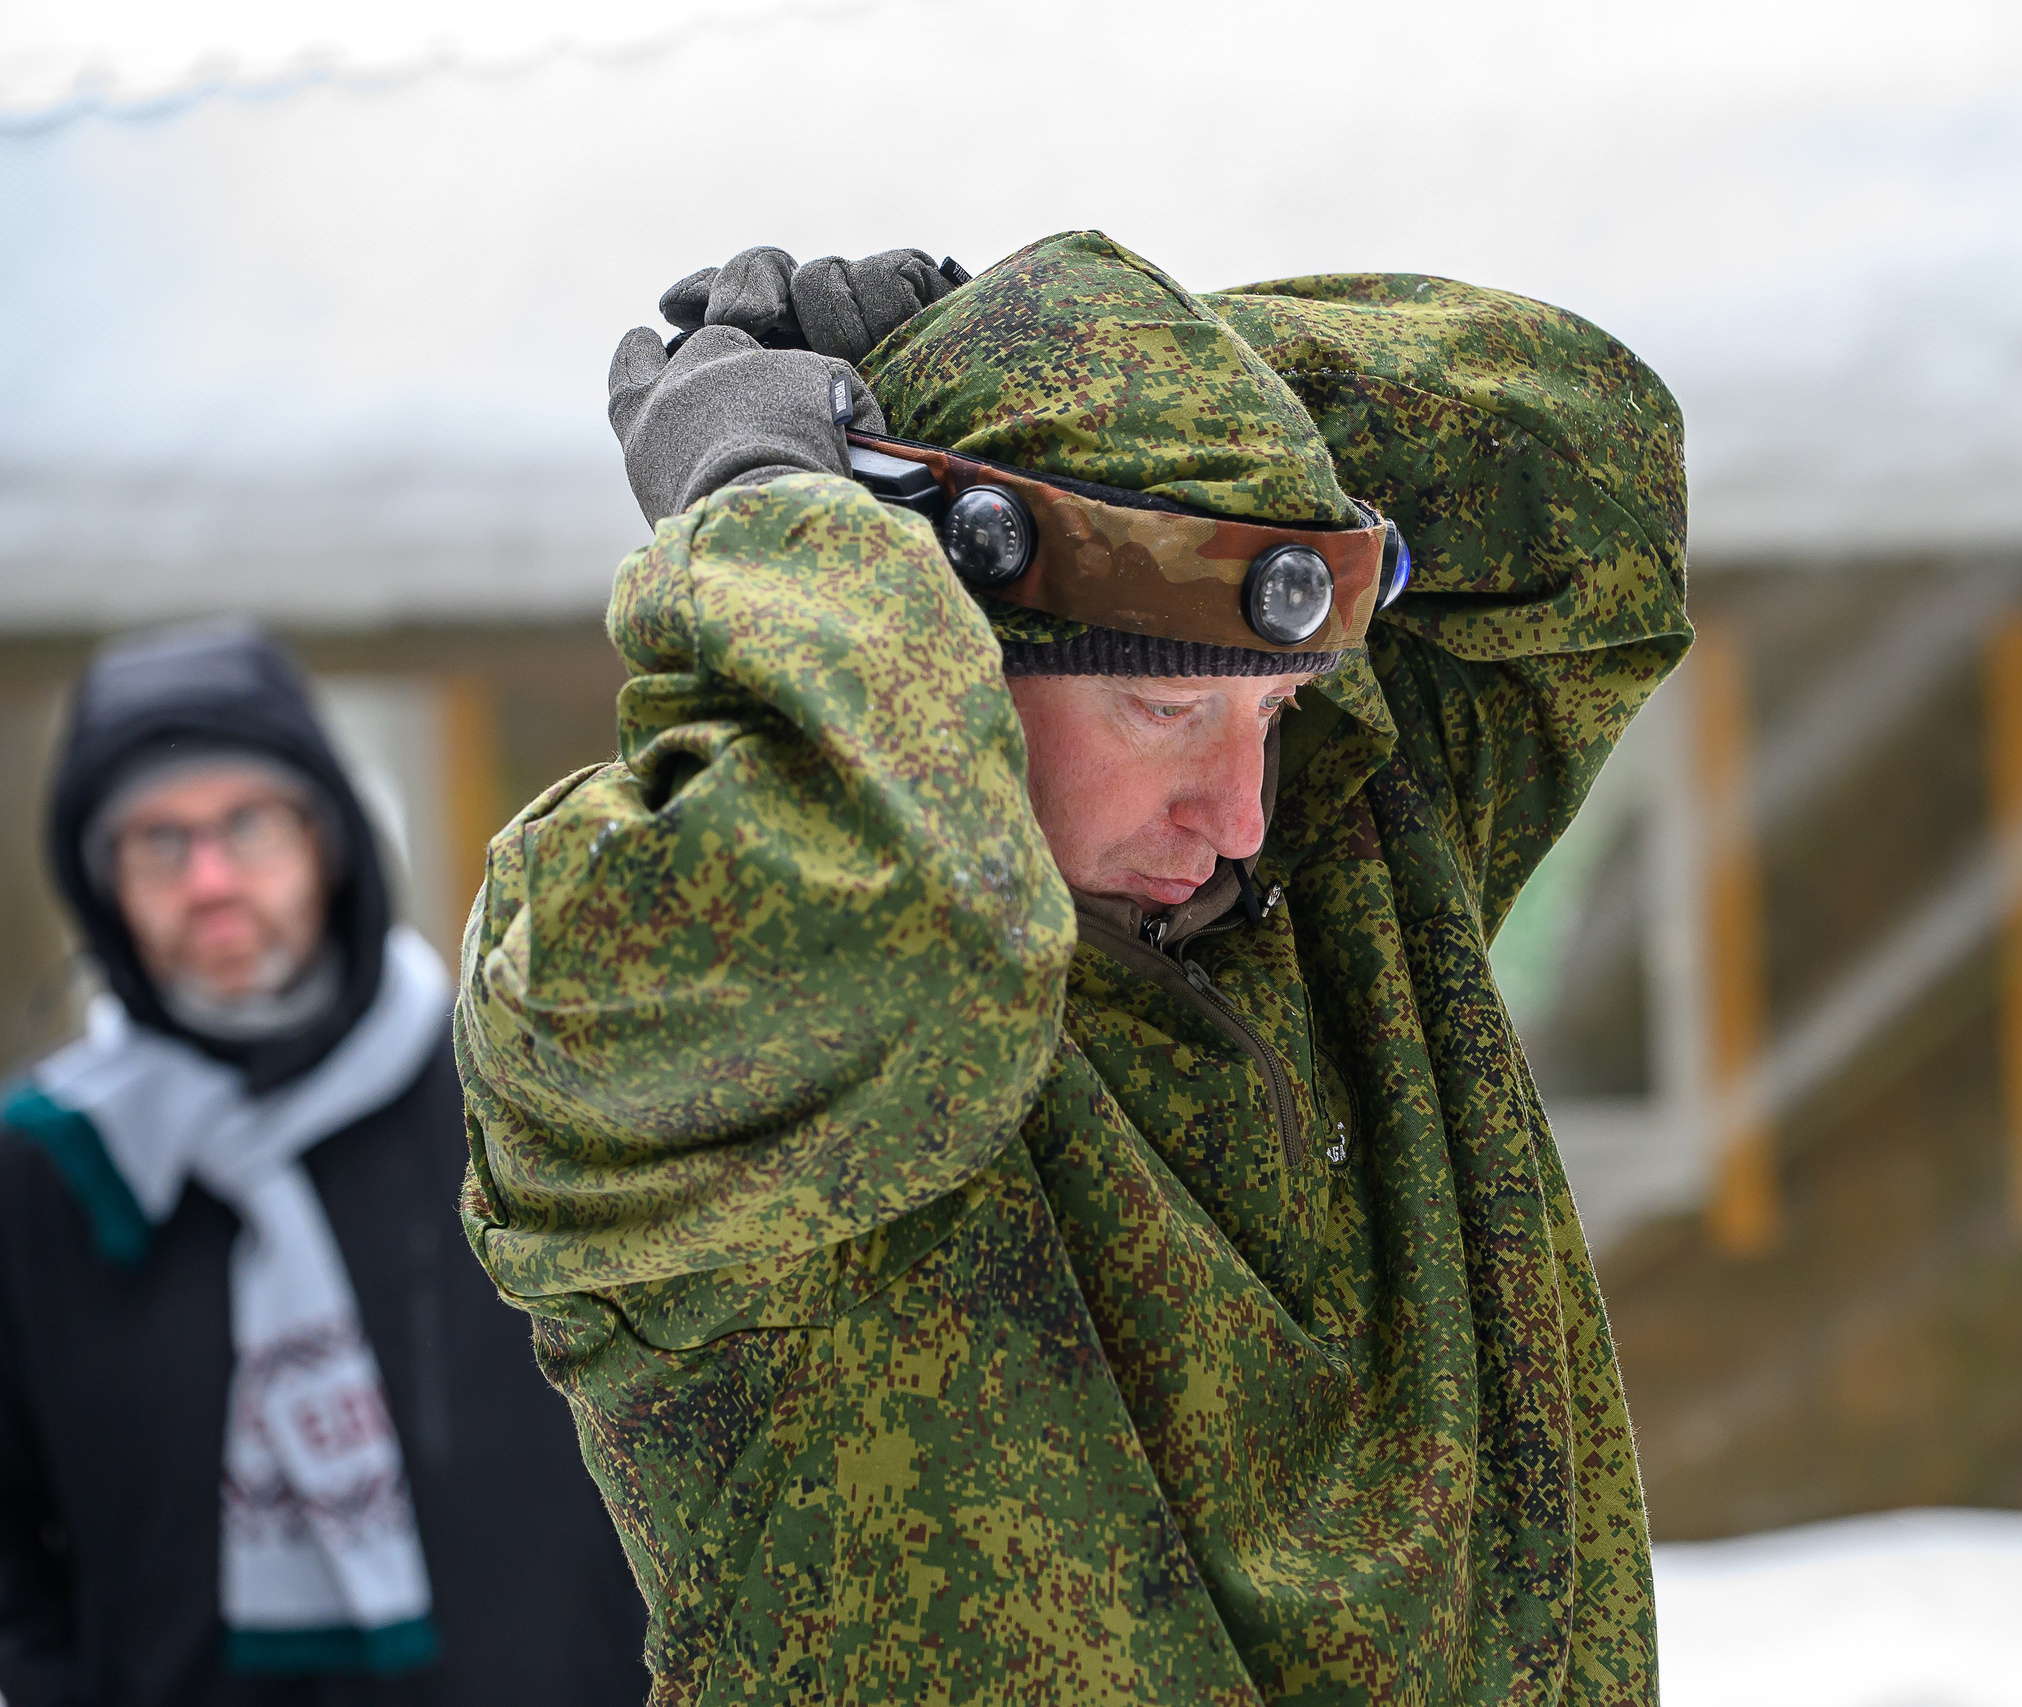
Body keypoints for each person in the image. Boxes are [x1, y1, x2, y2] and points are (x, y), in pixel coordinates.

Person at [456, 232, 1690, 1703]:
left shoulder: (1341, 876)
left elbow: (1590, 461)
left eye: (1281, 706)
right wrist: (780, 506)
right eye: (1167, 704)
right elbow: (901, 924)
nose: (1240, 810)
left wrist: (1059, 375)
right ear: (947, 635)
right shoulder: (640, 978)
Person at [0, 620, 647, 1706]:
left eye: (247, 824)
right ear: (97, 877)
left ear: (328, 837)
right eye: (156, 840)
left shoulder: (509, 1097)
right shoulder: (47, 1174)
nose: (208, 880)